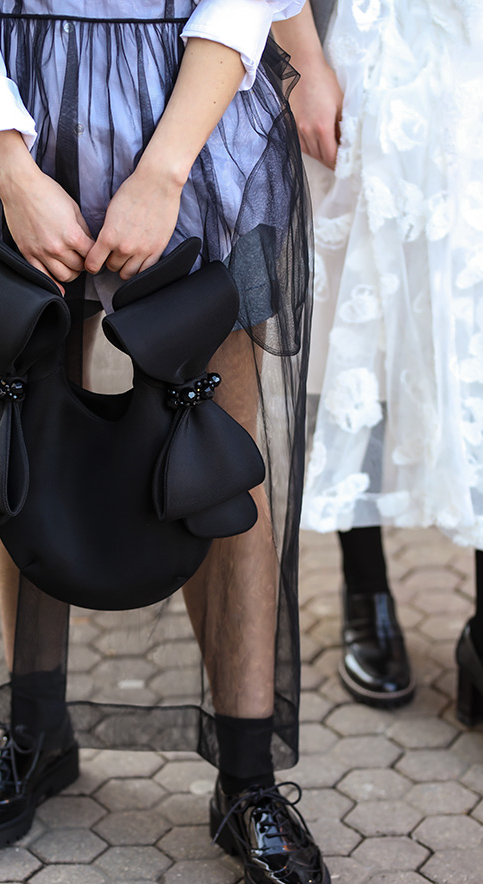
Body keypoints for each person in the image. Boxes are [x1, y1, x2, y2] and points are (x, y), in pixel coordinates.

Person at [0, 1, 327, 881]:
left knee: (220, 435)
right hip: (25, 101)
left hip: (192, 101)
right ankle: (37, 731)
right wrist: (10, 170)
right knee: (28, 414)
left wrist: (164, 170)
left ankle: (246, 776)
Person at [273, 0, 483, 713]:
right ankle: (366, 589)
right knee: (354, 326)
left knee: (476, 331)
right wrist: (302, 61)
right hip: (369, 50)